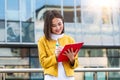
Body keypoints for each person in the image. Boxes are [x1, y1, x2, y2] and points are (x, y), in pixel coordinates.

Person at [37, 10, 79, 80]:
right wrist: (56, 57)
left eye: (60, 24)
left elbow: (75, 65)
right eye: (53, 25)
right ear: (48, 26)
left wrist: (72, 59)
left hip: (68, 78)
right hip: (51, 77)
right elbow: (43, 63)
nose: (58, 28)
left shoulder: (70, 40)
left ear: (63, 22)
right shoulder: (42, 41)